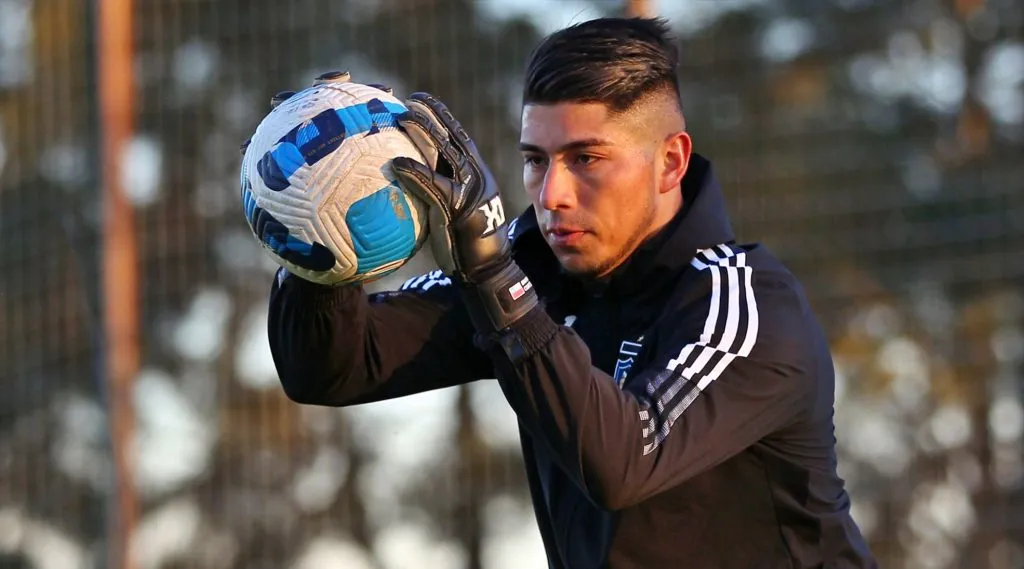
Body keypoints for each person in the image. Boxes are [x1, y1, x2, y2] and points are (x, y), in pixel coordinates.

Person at [266, 17, 878, 569]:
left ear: (671, 162)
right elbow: (332, 368)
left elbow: (627, 460)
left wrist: (496, 282)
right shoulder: (528, 270)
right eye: (535, 160)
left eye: (586, 158)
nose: (551, 192)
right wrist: (315, 227)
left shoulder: (747, 303)